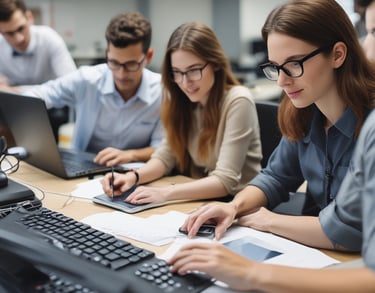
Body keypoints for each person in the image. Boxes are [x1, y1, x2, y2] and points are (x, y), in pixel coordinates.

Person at [168, 2, 375, 291]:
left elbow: (346, 231)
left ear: (338, 54)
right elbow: (275, 176)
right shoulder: (302, 112)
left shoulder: (370, 126)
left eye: (293, 64)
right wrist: (234, 207)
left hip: (352, 265)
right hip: (317, 257)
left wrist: (268, 220)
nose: (281, 80)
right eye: (275, 67)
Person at [101, 22, 262, 204]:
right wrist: (133, 177)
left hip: (237, 204)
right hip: (201, 199)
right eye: (177, 72)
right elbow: (165, 157)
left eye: (193, 70)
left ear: (215, 63)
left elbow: (224, 181)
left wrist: (164, 194)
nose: (185, 83)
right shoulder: (183, 101)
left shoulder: (238, 100)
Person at [24, 12, 163, 165]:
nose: (121, 74)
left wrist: (131, 155)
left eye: (131, 64)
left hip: (136, 174)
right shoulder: (88, 79)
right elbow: (39, 94)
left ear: (148, 56)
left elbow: (163, 147)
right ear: (107, 54)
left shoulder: (162, 92)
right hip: (84, 169)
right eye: (114, 62)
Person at [0, 0, 77, 141]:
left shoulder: (50, 38)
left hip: (52, 106)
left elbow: (71, 84)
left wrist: (17, 91)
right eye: (9, 34)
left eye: (20, 28)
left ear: (29, 17)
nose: (18, 38)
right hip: (16, 109)